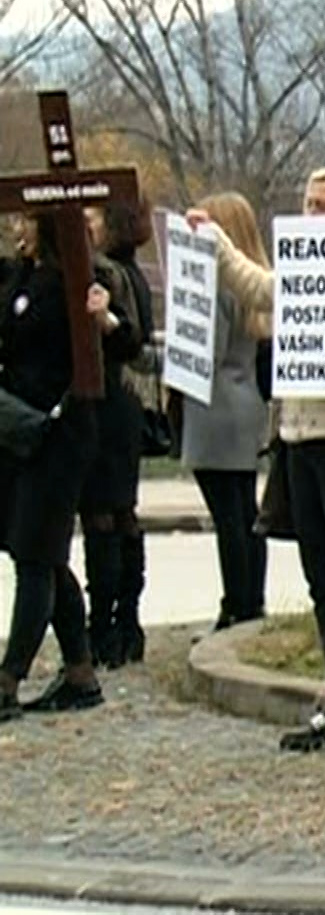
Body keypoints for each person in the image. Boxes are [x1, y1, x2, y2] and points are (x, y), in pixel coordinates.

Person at [186, 165, 325, 761]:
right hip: (302, 437)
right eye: (307, 205)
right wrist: (219, 243)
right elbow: (258, 287)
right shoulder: (303, 275)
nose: (312, 215)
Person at [0, 212, 135, 720]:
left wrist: (105, 317)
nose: (17, 228)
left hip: (62, 431)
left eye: (25, 221)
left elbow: (128, 344)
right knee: (42, 555)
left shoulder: (82, 278)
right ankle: (80, 672)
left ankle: (8, 679)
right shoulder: (18, 275)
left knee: (36, 555)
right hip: (17, 429)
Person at [178, 192, 273, 633]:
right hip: (247, 400)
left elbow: (203, 354)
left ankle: (234, 605)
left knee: (228, 518)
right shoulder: (255, 284)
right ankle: (252, 601)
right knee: (246, 513)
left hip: (214, 407)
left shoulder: (215, 287)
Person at [79, 197, 159, 667]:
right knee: (122, 514)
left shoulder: (108, 274)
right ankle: (127, 621)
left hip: (108, 402)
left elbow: (130, 341)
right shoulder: (135, 275)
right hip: (124, 405)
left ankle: (105, 626)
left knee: (101, 517)